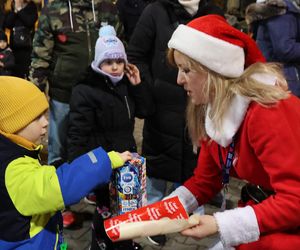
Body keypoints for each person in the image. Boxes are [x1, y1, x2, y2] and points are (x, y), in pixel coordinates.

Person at [164, 14, 300, 249]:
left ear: (215, 70)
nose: (179, 80)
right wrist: (165, 209)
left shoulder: (267, 112)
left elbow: (296, 199)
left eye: (186, 70)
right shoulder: (213, 109)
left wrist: (220, 224)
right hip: (272, 216)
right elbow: (206, 180)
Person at [127, 1, 224, 244]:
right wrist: (150, 92)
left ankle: (187, 211)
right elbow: (136, 54)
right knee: (158, 168)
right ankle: (153, 222)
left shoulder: (213, 13)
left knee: (194, 161)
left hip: (201, 107)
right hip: (162, 108)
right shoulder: (155, 11)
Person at [0, 76, 133, 249]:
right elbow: (57, 187)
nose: (46, 122)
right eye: (37, 117)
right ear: (13, 124)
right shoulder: (13, 168)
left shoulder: (11, 153)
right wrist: (106, 160)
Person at [28, 0, 123, 226]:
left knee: (97, 144)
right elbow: (40, 53)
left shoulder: (107, 8)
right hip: (64, 94)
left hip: (100, 92)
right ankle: (60, 207)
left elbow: (120, 45)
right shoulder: (54, 9)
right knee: (60, 148)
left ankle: (95, 191)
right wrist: (34, 91)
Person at [67, 25, 153, 250]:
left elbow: (145, 110)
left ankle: (124, 245)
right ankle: (101, 245)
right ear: (98, 62)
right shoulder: (86, 89)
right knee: (105, 211)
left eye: (119, 61)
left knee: (127, 212)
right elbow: (77, 132)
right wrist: (78, 170)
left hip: (126, 162)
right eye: (108, 62)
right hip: (103, 163)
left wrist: (137, 86)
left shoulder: (125, 84)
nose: (115, 67)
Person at [245, 0, 300, 97]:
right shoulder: (282, 13)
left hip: (272, 74)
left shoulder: (271, 11)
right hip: (284, 77)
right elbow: (286, 50)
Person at [4, 0, 37, 78]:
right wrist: (15, 10)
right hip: (14, 47)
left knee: (25, 73)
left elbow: (29, 21)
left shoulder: (31, 6)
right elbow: (7, 24)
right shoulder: (12, 5)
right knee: (14, 74)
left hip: (26, 47)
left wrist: (19, 9)